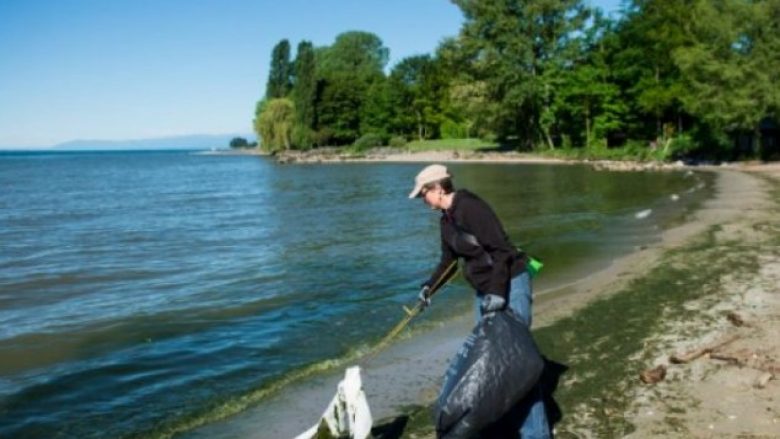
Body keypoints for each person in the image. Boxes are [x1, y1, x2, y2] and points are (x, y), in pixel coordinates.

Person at [409, 163, 550, 439]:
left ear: (437, 188)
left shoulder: (471, 207)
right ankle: (510, 423)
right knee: (491, 362)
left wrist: (498, 293)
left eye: (423, 193)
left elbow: (502, 250)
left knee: (516, 362)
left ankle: (536, 433)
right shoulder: (446, 220)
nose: (421, 200)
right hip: (485, 293)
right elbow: (448, 264)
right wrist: (429, 288)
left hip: (510, 284)